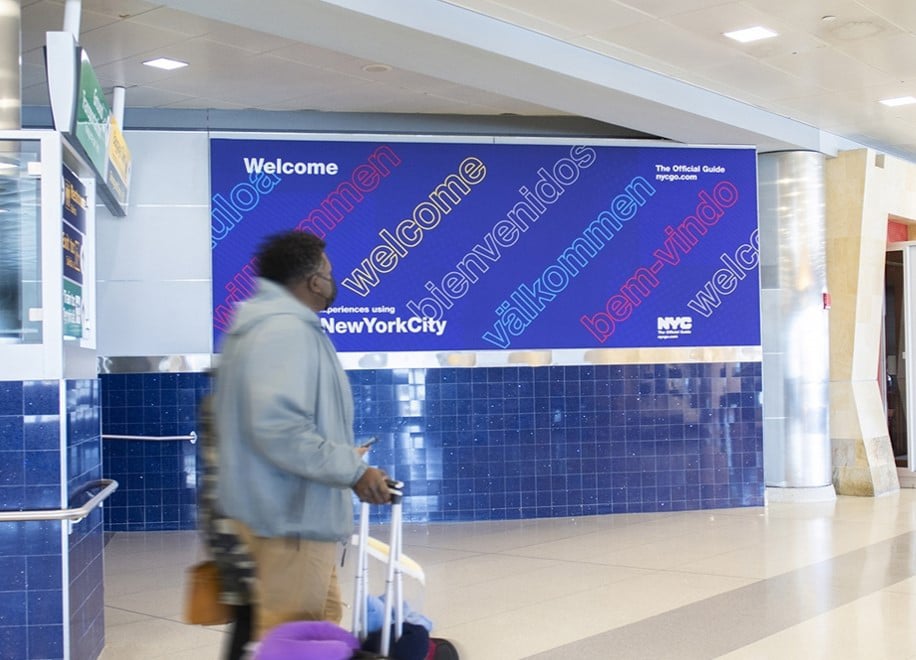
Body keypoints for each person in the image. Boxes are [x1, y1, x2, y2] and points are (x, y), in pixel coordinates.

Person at [213, 229, 391, 641]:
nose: (333, 279)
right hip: (290, 524)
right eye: (328, 271)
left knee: (317, 636)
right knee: (298, 642)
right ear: (314, 280)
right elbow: (279, 430)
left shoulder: (271, 326)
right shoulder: (284, 331)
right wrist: (354, 470)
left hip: (293, 518)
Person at [196, 390, 255, 660]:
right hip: (244, 524)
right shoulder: (248, 402)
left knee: (247, 615)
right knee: (256, 614)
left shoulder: (220, 399)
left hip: (224, 519)